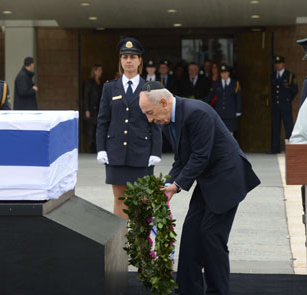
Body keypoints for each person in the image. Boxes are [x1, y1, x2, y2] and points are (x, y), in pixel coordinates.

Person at [139, 80, 260, 295]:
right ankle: (187, 291)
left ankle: (218, 291)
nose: (150, 119)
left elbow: (199, 157)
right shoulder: (167, 122)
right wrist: (167, 184)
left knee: (211, 238)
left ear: (164, 102)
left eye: (150, 113)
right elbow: (181, 159)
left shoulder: (197, 113)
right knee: (191, 237)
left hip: (226, 179)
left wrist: (176, 186)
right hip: (207, 182)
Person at [96, 37, 162, 220]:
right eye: (125, 57)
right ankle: (122, 244)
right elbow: (103, 121)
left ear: (140, 60)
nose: (129, 60)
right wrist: (101, 148)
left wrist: (156, 151)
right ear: (120, 60)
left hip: (141, 152)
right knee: (119, 199)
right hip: (116, 152)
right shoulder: (110, 88)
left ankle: (140, 246)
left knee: (142, 200)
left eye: (133, 57)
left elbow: (157, 121)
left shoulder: (151, 88)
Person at [269, 55, 298, 153]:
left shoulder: (289, 75)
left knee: (288, 127)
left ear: (283, 64)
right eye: (276, 63)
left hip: (285, 105)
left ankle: (290, 149)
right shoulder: (273, 75)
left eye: (279, 63)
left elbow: (294, 90)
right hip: (276, 106)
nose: (277, 65)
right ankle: (275, 148)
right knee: (276, 127)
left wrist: (287, 100)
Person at [204, 64, 242, 135]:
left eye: (225, 73)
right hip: (219, 112)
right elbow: (210, 96)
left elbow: (238, 98)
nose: (224, 75)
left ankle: (229, 146)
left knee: (230, 133)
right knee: (219, 132)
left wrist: (238, 110)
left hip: (231, 113)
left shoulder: (235, 84)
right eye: (222, 73)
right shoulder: (216, 84)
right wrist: (202, 103)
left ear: (228, 73)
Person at [84, 64, 103, 153]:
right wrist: (87, 109)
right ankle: (92, 147)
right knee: (92, 128)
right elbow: (86, 96)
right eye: (99, 70)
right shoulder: (90, 82)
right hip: (92, 109)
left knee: (99, 128)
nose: (100, 72)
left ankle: (97, 146)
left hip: (99, 108)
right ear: (94, 71)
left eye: (101, 70)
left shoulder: (101, 82)